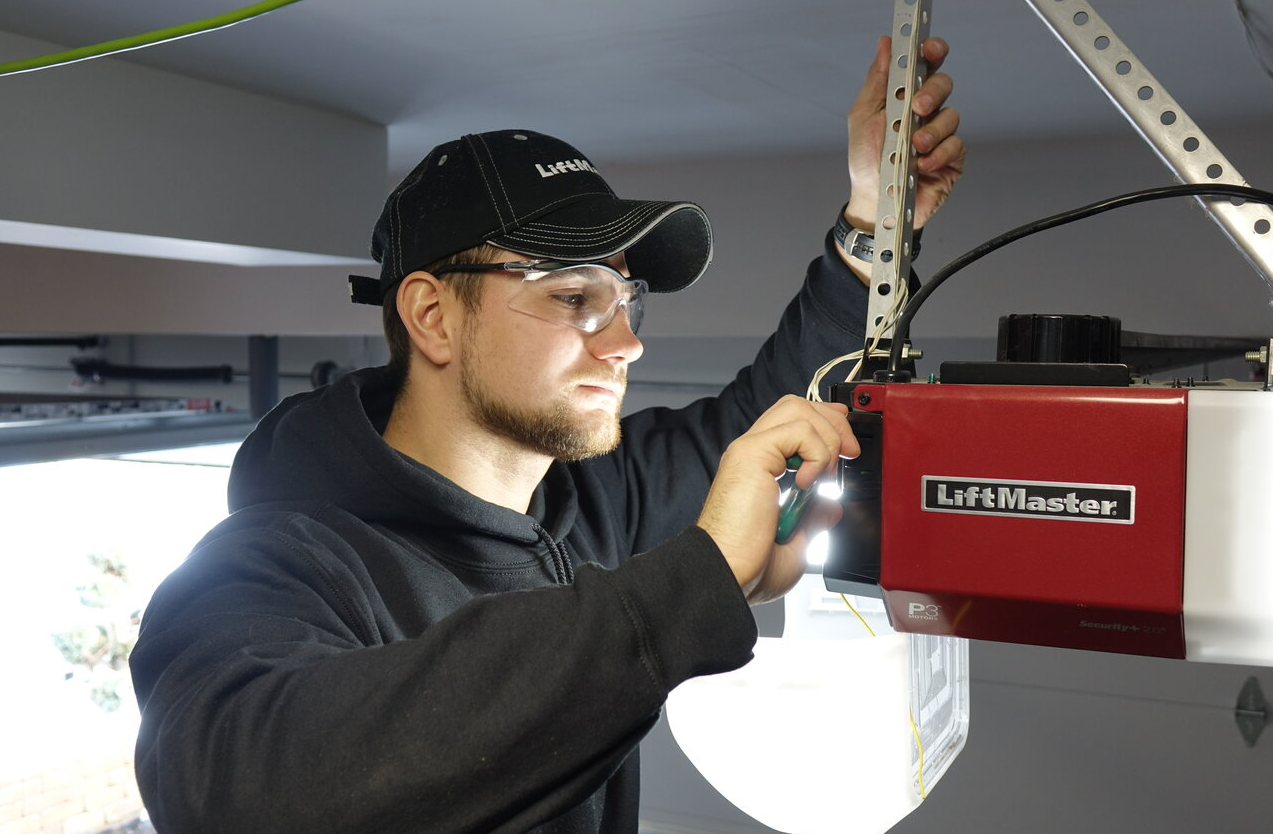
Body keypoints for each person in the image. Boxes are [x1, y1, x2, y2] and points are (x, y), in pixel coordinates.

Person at [129, 35, 964, 834]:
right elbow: (245, 796)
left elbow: (777, 406)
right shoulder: (266, 568)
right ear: (431, 316)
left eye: (627, 302)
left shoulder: (586, 501)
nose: (627, 342)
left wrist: (870, 227)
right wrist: (701, 580)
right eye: (574, 298)